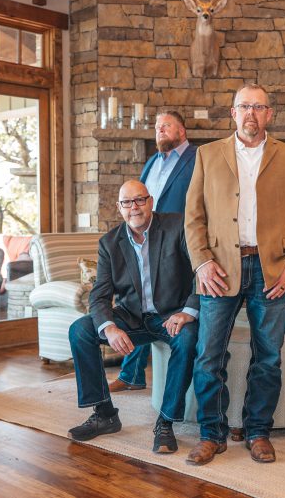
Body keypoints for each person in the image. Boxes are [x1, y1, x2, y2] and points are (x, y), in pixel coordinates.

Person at [184, 83, 285, 465]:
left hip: (271, 269)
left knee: (268, 356)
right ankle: (211, 434)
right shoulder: (207, 155)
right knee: (208, 356)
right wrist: (202, 263)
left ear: (269, 114)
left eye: (259, 107)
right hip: (219, 269)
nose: (252, 113)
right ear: (233, 113)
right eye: (245, 106)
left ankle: (258, 432)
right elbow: (194, 218)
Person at [67, 180, 198, 455]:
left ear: (150, 202)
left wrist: (187, 312)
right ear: (119, 208)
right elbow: (99, 295)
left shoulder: (177, 226)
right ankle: (104, 413)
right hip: (131, 317)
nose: (134, 208)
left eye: (139, 200)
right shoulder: (109, 243)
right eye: (127, 202)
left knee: (187, 340)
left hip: (171, 315)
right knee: (80, 330)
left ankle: (166, 422)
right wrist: (110, 326)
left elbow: (201, 271)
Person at [108, 111, 197, 394]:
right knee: (139, 302)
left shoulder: (197, 158)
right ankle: (131, 373)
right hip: (148, 237)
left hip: (177, 239)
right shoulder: (152, 161)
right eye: (157, 127)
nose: (159, 131)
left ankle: (140, 377)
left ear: (182, 131)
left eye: (166, 126)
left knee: (159, 303)